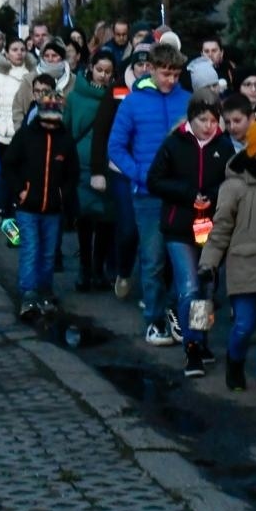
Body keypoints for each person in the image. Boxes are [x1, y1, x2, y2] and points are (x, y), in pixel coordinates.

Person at [201, 121, 256, 406]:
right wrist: (209, 263)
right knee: (244, 325)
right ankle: (235, 360)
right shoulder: (234, 187)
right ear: (252, 152)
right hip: (243, 266)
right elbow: (221, 228)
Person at [107, 42, 190, 347]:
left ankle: (181, 319)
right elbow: (115, 146)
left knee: (186, 261)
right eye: (165, 73)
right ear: (151, 70)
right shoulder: (133, 103)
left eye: (175, 74)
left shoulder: (188, 101)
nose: (170, 79)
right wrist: (142, 174)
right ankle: (154, 320)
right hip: (148, 194)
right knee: (153, 259)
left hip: (183, 195)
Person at [148, 94, 235, 378]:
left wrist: (210, 196)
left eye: (213, 120)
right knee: (189, 286)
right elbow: (155, 180)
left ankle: (202, 338)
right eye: (203, 120)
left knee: (207, 288)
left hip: (210, 227)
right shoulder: (174, 143)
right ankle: (192, 346)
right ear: (191, 119)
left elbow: (231, 181)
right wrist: (188, 194)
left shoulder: (223, 145)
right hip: (179, 226)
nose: (209, 126)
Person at [2, 74, 78, 320]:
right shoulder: (26, 136)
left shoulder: (64, 139)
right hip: (28, 206)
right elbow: (9, 164)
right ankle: (29, 293)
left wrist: (62, 195)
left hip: (53, 208)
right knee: (31, 248)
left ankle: (45, 290)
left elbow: (71, 174)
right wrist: (20, 191)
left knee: (48, 252)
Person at [97, 45, 153, 300]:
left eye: (148, 65)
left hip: (150, 170)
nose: (144, 69)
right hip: (120, 169)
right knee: (128, 227)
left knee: (151, 233)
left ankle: (148, 288)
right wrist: (98, 170)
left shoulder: (159, 93)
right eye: (139, 64)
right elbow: (102, 131)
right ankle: (123, 270)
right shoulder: (119, 88)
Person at [66, 50, 118, 293]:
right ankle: (84, 268)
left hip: (109, 165)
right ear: (91, 68)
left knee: (106, 220)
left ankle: (99, 269)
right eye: (100, 70)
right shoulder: (76, 97)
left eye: (108, 72)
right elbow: (67, 128)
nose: (103, 76)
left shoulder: (118, 96)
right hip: (82, 165)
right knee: (85, 219)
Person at [0, 37, 33, 218]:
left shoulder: (33, 74)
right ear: (7, 53)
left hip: (29, 139)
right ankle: (11, 234)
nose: (19, 53)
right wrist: (3, 128)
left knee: (25, 186)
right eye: (14, 49)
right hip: (6, 139)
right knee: (7, 186)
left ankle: (25, 231)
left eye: (22, 49)